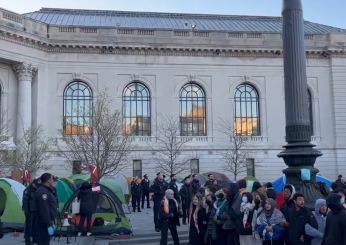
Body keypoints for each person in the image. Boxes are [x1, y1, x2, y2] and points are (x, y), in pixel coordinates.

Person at [35, 173, 58, 245]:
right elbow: (44, 209)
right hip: (43, 224)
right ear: (48, 181)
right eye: (51, 179)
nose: (52, 181)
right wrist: (48, 225)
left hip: (47, 222)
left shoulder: (48, 190)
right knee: (43, 242)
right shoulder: (42, 192)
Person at [22, 179, 40, 245]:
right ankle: (28, 240)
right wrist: (26, 211)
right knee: (29, 226)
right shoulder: (27, 190)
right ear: (33, 184)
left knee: (35, 225)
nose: (37, 187)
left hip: (36, 210)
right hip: (30, 211)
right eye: (36, 185)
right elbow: (25, 201)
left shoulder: (37, 190)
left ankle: (35, 238)